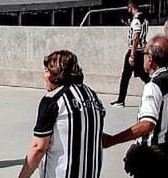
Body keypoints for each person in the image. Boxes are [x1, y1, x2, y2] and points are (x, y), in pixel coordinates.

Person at [103, 35, 168, 178]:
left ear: (150, 59)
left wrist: (112, 140)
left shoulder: (154, 86)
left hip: (154, 159)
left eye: (144, 53)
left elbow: (147, 124)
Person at [17, 50, 105, 178]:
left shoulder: (53, 100)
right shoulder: (92, 96)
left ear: (57, 72)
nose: (44, 75)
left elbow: (39, 147)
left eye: (47, 70)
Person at [110, 0, 150, 107]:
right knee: (143, 75)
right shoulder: (144, 20)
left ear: (131, 7)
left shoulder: (136, 20)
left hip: (134, 51)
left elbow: (136, 37)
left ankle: (120, 100)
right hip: (141, 51)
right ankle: (157, 90)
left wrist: (132, 54)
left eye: (129, 8)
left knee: (126, 76)